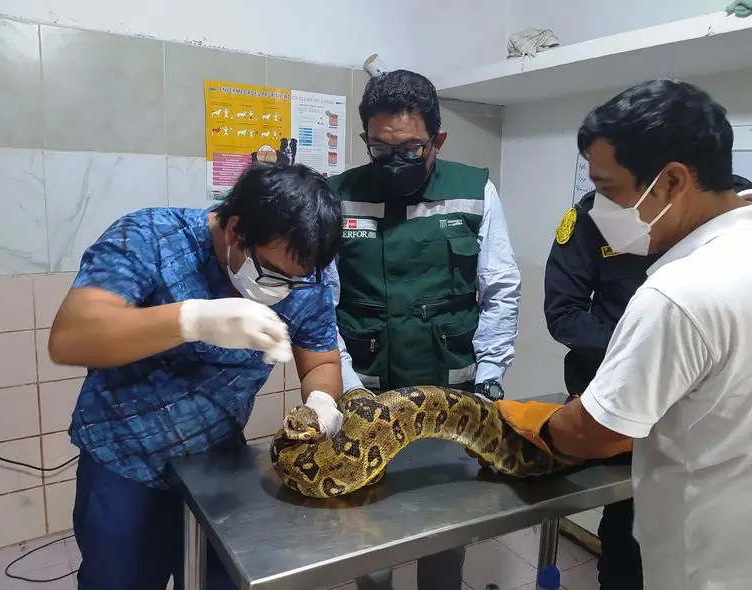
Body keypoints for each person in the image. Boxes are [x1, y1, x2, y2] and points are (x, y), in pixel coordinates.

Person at [542, 79, 752, 589]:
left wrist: (539, 425)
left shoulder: (678, 294)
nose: (598, 207)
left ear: (672, 180)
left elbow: (593, 432)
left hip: (713, 557)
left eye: (608, 191)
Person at [47, 164, 346, 590]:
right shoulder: (152, 236)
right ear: (235, 229)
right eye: (271, 272)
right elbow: (71, 338)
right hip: (124, 463)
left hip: (218, 467)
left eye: (295, 281)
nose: (281, 289)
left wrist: (322, 401)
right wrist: (192, 319)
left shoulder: (305, 280)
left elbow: (321, 363)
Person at [325, 69, 521, 590]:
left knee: (445, 529)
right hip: (365, 389)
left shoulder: (474, 189)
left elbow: (500, 289)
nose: (393, 163)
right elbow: (320, 302)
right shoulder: (335, 194)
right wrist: (342, 387)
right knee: (371, 540)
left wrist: (491, 376)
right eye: (379, 150)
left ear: (437, 139)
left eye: (410, 150)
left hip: (450, 392)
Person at [543, 173, 752, 589]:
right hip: (627, 412)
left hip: (713, 418)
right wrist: (646, 357)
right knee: (627, 546)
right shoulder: (594, 214)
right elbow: (564, 313)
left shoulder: (728, 201)